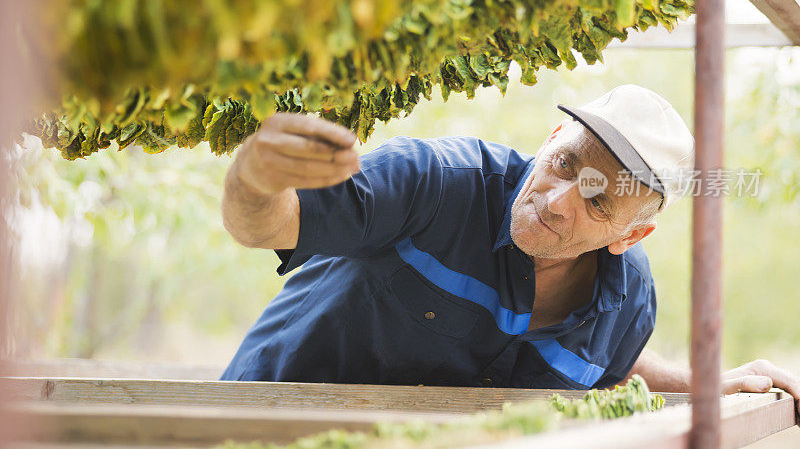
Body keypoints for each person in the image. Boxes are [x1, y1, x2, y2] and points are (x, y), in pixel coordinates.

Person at [219, 84, 800, 413]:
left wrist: (702, 382)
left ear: (629, 236)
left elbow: (604, 368)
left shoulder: (628, 302)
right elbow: (272, 225)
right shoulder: (435, 182)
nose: (556, 201)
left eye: (597, 203)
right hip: (250, 428)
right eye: (564, 164)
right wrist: (254, 178)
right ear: (551, 139)